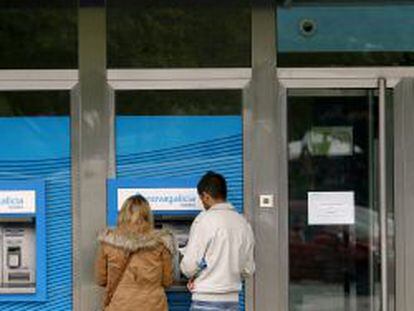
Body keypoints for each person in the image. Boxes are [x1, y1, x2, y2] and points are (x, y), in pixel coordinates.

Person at [180, 171, 255, 311]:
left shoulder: (204, 220)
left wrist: (193, 275)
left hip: (205, 300)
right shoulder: (243, 223)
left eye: (201, 199)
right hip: (232, 302)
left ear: (206, 196)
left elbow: (189, 267)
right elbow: (248, 269)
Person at [95, 194, 177, 311]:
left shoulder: (108, 242)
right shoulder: (161, 243)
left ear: (123, 214)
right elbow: (167, 281)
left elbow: (101, 280)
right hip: (153, 305)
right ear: (148, 216)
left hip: (120, 304)